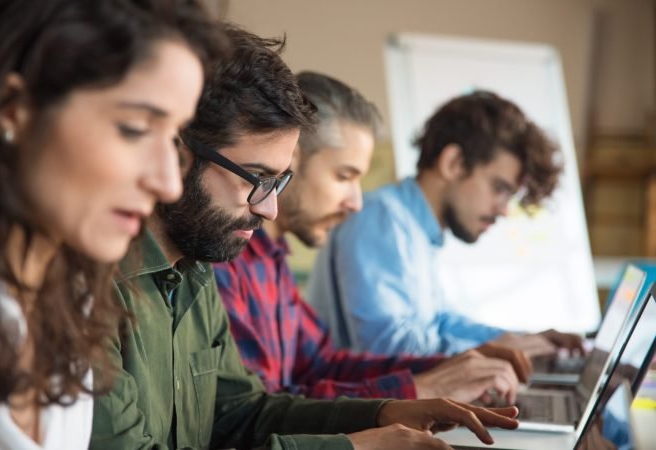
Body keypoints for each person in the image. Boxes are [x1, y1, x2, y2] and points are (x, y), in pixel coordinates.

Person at [90, 26, 520, 450]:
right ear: (179, 155)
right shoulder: (93, 285)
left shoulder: (196, 271)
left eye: (278, 182)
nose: (269, 208)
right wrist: (356, 447)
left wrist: (384, 413)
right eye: (255, 179)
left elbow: (240, 413)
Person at [0, 0, 220, 448]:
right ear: (13, 109)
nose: (169, 184)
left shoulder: (74, 303)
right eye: (133, 128)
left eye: (173, 138)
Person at [213, 72, 531, 406]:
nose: (356, 202)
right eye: (344, 176)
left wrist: (452, 369)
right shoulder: (227, 259)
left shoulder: (272, 259)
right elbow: (258, 413)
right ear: (289, 161)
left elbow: (321, 365)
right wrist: (424, 389)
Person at [307, 91, 584, 359]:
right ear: (454, 163)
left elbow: (439, 322)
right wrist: (496, 351)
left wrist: (522, 341)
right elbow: (391, 350)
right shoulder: (381, 219)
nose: (503, 210)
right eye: (498, 188)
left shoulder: (416, 229)